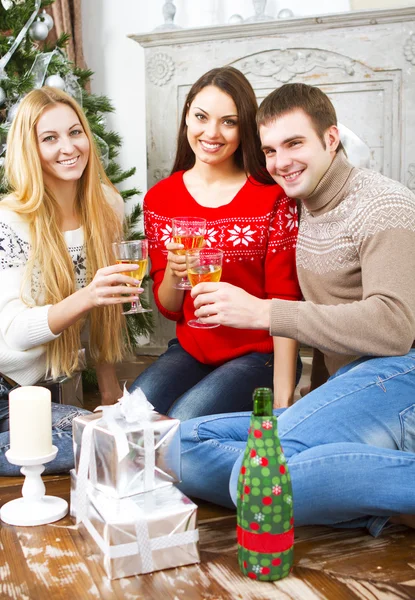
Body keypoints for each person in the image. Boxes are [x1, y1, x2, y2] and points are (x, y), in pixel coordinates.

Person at [179, 82, 415, 535]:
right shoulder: (302, 203)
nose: (280, 162)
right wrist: (314, 396)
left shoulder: (385, 205)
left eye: (294, 143)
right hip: (351, 386)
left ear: (331, 139)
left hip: (402, 374)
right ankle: (350, 483)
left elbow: (395, 327)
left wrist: (266, 313)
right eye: (269, 150)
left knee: (255, 483)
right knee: (177, 444)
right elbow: (333, 321)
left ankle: (319, 481)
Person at [129, 67, 302, 420]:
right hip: (193, 350)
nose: (211, 132)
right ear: (187, 115)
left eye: (229, 122)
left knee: (185, 420)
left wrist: (284, 399)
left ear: (245, 129)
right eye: (201, 117)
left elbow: (286, 301)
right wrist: (174, 278)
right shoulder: (160, 200)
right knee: (132, 414)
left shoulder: (273, 197)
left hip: (260, 354)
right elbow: (171, 310)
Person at [0, 87, 141, 475]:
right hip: (6, 384)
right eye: (50, 138)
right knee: (105, 443)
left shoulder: (107, 205)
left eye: (75, 132)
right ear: (30, 149)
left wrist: (110, 389)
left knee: (116, 436)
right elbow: (13, 335)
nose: (68, 147)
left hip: (37, 396)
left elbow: (105, 313)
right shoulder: (10, 221)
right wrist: (87, 295)